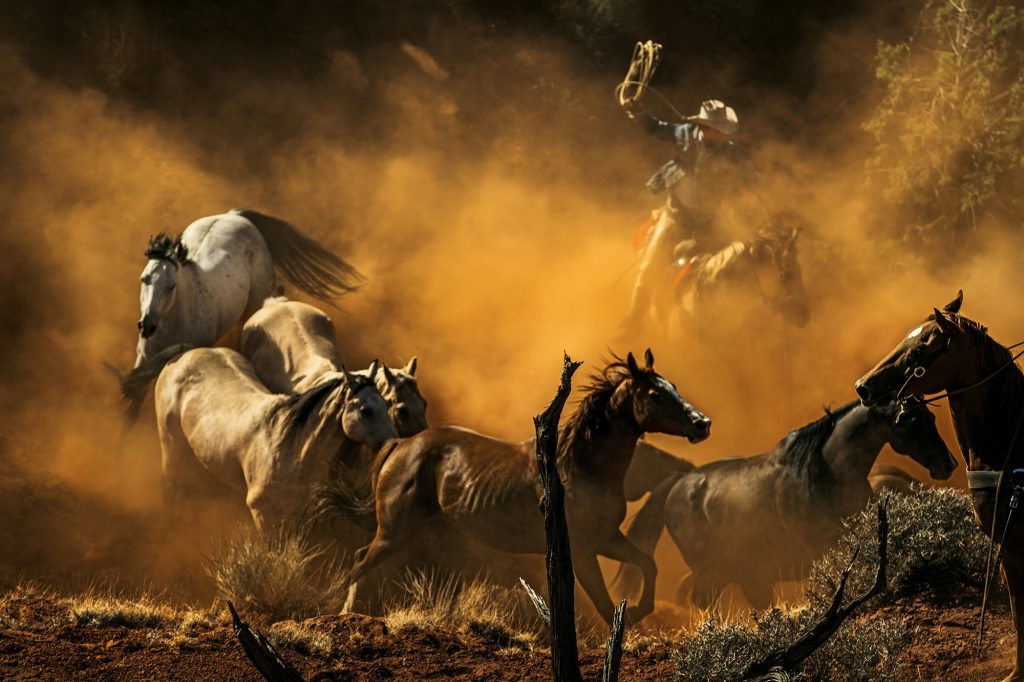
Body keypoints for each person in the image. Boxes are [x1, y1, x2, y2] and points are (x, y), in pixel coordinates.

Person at [617, 99, 742, 338]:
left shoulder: (731, 152)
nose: (722, 135)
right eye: (718, 130)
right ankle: (633, 322)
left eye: (724, 130)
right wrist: (638, 112)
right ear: (704, 128)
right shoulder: (684, 133)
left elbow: (748, 177)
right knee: (649, 267)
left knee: (736, 261)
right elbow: (656, 128)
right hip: (676, 217)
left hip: (710, 220)